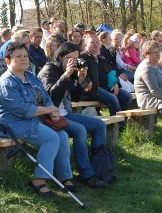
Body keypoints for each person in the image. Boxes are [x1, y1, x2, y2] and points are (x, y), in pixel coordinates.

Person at [0, 43, 76, 197]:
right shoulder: (7, 82)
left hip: (32, 120)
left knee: (62, 136)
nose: (23, 59)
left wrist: (53, 111)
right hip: (10, 123)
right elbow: (22, 109)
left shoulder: (30, 75)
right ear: (8, 61)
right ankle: (38, 181)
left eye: (25, 56)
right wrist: (48, 110)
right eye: (18, 56)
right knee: (50, 138)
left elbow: (45, 96)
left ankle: (63, 176)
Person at [38, 42, 109, 188]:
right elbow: (51, 96)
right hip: (48, 115)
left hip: (65, 114)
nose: (72, 62)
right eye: (69, 58)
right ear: (60, 56)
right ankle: (86, 174)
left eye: (75, 59)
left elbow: (76, 98)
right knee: (80, 130)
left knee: (99, 125)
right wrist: (66, 75)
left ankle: (99, 168)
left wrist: (81, 80)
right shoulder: (49, 69)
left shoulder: (70, 71)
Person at [82, 32, 132, 115]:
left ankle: (120, 122)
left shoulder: (101, 58)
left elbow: (111, 72)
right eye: (92, 42)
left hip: (107, 87)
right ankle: (118, 125)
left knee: (127, 97)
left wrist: (116, 83)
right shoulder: (83, 57)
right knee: (113, 99)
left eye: (97, 42)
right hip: (93, 89)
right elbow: (81, 75)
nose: (95, 44)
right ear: (86, 44)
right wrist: (87, 82)